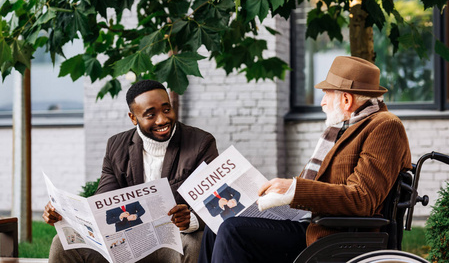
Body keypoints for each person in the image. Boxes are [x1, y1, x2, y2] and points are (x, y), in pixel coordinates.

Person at [198, 56, 412, 263]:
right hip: (311, 224)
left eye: (326, 94)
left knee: (232, 230)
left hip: (330, 235)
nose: (322, 103)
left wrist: (293, 189)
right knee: (215, 226)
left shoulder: (385, 126)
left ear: (346, 99)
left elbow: (362, 199)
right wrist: (280, 192)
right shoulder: (343, 129)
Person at [42, 79, 219, 263]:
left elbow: (215, 200)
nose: (163, 119)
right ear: (133, 118)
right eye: (151, 115)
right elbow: (102, 200)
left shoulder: (201, 143)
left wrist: (190, 219)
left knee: (196, 241)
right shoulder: (116, 146)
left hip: (175, 241)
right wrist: (64, 214)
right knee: (62, 244)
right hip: (127, 241)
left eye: (166, 109)